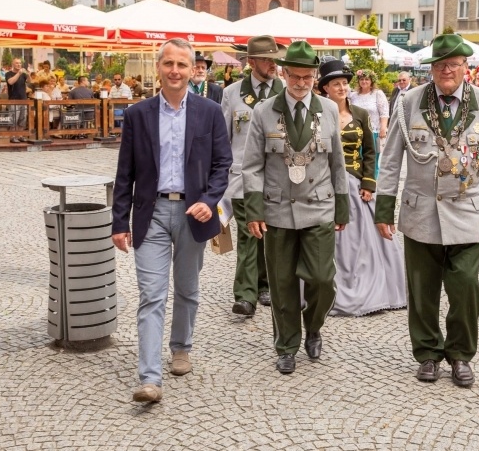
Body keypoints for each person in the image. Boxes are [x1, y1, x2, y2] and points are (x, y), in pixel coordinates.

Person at [375, 34, 479, 386]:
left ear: (466, 68)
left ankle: (461, 354)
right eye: (439, 65)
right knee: (422, 290)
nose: (446, 71)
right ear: (430, 68)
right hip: (421, 212)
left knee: (465, 286)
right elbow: (390, 160)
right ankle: (428, 354)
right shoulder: (409, 102)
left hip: (468, 211)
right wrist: (384, 209)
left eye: (453, 65)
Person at [112, 38, 232, 403]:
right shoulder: (138, 114)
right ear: (158, 67)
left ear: (192, 68)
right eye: (169, 64)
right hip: (152, 214)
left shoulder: (209, 112)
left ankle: (181, 346)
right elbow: (125, 172)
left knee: (187, 288)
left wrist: (210, 201)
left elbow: (222, 165)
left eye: (182, 64)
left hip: (193, 214)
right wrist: (119, 222)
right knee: (151, 295)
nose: (175, 71)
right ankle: (150, 378)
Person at [241, 41, 349, 374]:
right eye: (295, 76)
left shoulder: (328, 109)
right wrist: (254, 210)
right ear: (284, 74)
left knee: (321, 278)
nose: (301, 83)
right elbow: (252, 165)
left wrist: (342, 207)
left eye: (307, 77)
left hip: (319, 206)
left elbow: (337, 164)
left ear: (315, 76)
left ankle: (313, 325)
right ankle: (286, 345)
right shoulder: (264, 111)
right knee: (282, 283)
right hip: (277, 211)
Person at [318, 59, 406, 316]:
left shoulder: (361, 115)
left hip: (355, 184)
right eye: (336, 84)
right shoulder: (318, 114)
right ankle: (326, 287)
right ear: (325, 88)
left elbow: (370, 151)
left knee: (364, 241)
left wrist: (369, 182)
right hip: (325, 185)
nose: (342, 88)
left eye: (345, 83)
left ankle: (370, 286)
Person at [221, 35, 286, 316]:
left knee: (269, 233)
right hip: (242, 176)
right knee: (249, 233)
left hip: (277, 177)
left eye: (274, 59)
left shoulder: (284, 89)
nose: (273, 64)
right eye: (267, 59)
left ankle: (264, 285)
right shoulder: (232, 93)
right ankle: (245, 294)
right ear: (252, 62)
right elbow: (223, 137)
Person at [350, 69, 389, 176]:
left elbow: (384, 112)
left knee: (372, 158)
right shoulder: (353, 95)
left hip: (373, 131)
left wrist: (383, 128)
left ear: (371, 81)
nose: (364, 81)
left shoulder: (377, 94)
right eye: (361, 79)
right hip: (357, 132)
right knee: (358, 157)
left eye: (367, 79)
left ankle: (372, 180)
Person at [5, 58, 29, 143]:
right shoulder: (9, 74)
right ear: (13, 64)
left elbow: (31, 81)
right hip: (14, 100)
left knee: (22, 119)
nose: (19, 65)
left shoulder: (23, 74)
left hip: (23, 99)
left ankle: (20, 135)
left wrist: (28, 74)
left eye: (20, 63)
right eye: (16, 63)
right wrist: (18, 73)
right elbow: (10, 82)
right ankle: (12, 136)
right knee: (13, 119)